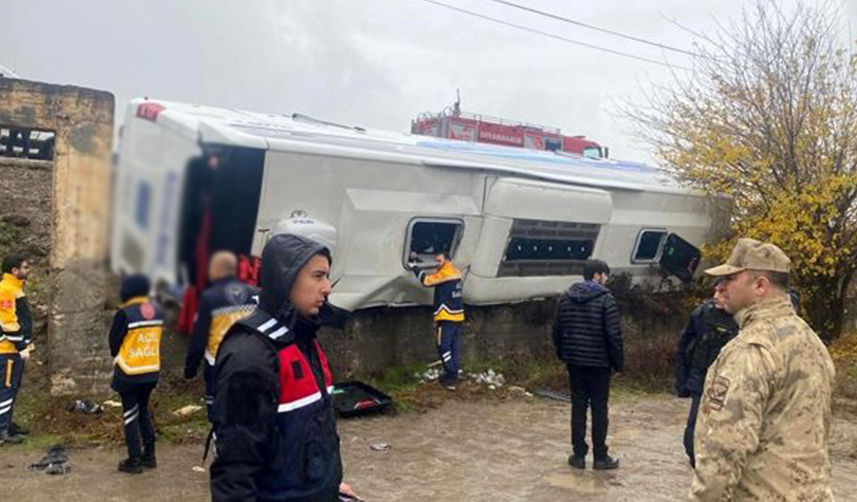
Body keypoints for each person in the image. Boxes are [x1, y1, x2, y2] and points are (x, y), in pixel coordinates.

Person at [210, 233, 356, 502]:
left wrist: (329, 485)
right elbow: (235, 474)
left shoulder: (305, 339)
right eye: (318, 276)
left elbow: (310, 436)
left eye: (327, 277)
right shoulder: (250, 355)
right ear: (285, 279)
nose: (327, 288)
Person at [692, 238, 835, 501]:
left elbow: (725, 449)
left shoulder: (750, 350)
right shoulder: (812, 341)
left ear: (760, 286)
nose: (721, 286)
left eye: (731, 278)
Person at [552, 259, 623, 470]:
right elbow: (614, 335)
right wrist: (618, 363)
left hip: (574, 362)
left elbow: (556, 331)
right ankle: (601, 457)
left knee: (578, 407)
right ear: (597, 275)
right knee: (600, 409)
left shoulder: (565, 299)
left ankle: (579, 455)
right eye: (605, 275)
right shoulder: (606, 300)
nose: (607, 280)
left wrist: (563, 354)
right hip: (599, 364)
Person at [184, 251, 257, 421]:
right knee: (246, 409)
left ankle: (221, 444)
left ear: (216, 269)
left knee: (218, 411)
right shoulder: (254, 294)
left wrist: (190, 369)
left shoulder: (210, 297)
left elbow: (199, 337)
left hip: (219, 363)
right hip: (251, 361)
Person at [675, 278, 738, 467]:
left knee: (721, 425)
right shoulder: (702, 313)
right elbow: (684, 345)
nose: (716, 296)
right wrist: (681, 381)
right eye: (715, 291)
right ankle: (695, 458)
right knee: (695, 425)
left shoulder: (742, 318)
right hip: (700, 379)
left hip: (727, 382)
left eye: (722, 292)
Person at [109, 274, 164, 474]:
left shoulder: (125, 313)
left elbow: (113, 343)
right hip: (151, 370)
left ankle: (134, 460)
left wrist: (117, 354)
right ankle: (150, 455)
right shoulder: (157, 310)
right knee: (143, 412)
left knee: (131, 415)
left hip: (130, 372)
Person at [409, 251, 465, 390]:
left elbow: (427, 281)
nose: (437, 264)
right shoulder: (456, 271)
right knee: (454, 347)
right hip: (458, 316)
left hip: (446, 317)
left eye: (439, 261)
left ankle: (451, 377)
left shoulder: (445, 274)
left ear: (447, 260)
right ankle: (454, 373)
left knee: (443, 346)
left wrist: (415, 266)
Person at [0, 254, 33, 445]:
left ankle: (7, 424)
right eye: (25, 267)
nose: (27, 270)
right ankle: (2, 430)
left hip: (14, 349)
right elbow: (7, 322)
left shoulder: (14, 288)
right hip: (7, 350)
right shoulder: (6, 289)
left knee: (12, 388)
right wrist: (21, 346)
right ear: (14, 270)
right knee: (6, 388)